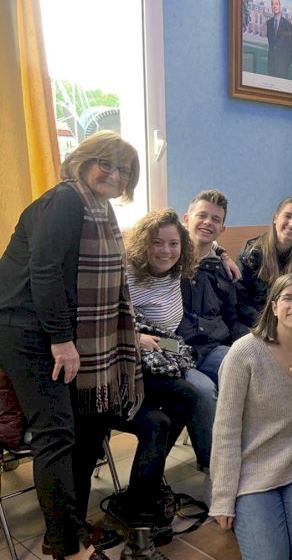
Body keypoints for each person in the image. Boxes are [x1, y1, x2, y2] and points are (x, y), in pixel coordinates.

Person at [0, 131, 142, 560]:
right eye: (105, 163)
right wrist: (62, 341)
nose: (114, 174)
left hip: (56, 330)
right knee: (57, 432)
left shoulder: (98, 210)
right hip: (25, 329)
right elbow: (44, 271)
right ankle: (66, 546)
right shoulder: (64, 201)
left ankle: (71, 525)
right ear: (83, 160)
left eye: (124, 170)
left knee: (89, 423)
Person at [210, 273, 292, 560]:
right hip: (252, 467)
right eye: (288, 298)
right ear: (274, 306)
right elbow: (226, 429)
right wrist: (223, 498)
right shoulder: (243, 353)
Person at [125, 210, 213, 513]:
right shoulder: (126, 273)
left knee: (179, 405)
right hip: (131, 361)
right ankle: (208, 469)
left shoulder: (178, 268)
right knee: (193, 395)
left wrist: (224, 255)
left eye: (173, 243)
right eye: (157, 242)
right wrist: (135, 338)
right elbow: (105, 318)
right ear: (143, 243)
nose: (166, 251)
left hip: (165, 351)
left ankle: (148, 483)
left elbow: (207, 241)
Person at [178, 190, 249, 387]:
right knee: (206, 391)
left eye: (215, 219)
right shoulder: (169, 261)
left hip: (212, 349)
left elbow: (231, 319)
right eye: (202, 215)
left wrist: (257, 343)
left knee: (253, 370)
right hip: (175, 348)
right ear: (186, 219)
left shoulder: (223, 269)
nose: (208, 222)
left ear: (222, 229)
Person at [237, 197, 292, 327]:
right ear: (275, 218)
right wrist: (269, 326)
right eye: (287, 216)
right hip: (254, 326)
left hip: (291, 326)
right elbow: (240, 303)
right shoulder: (251, 253)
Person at [266, 0, 292, 80]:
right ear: (271, 7)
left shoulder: (288, 25)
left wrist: (286, 65)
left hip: (282, 67)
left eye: (276, 4)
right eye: (272, 4)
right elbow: (271, 44)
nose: (274, 6)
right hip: (271, 66)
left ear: (280, 6)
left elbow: (290, 47)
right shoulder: (269, 23)